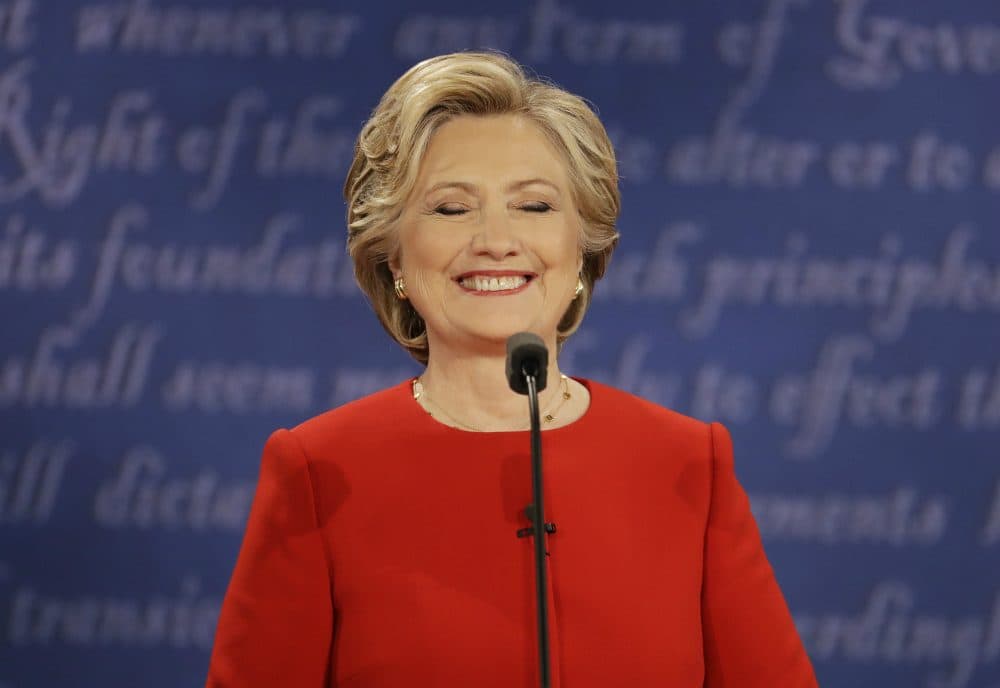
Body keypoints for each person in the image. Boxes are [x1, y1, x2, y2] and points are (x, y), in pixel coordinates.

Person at [205, 51, 818, 687]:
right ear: (393, 259)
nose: (496, 239)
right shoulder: (317, 473)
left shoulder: (691, 464)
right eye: (450, 209)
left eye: (533, 206)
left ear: (582, 249)